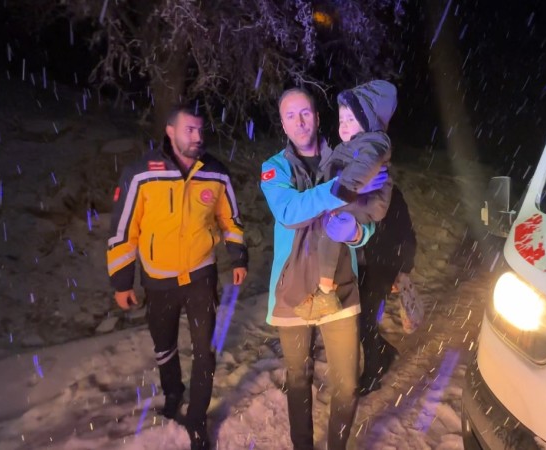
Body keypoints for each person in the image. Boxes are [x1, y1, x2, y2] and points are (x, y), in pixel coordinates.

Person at [106, 103, 248, 450]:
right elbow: (124, 229)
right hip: (159, 279)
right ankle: (173, 392)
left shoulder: (216, 172)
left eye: (200, 129)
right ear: (170, 131)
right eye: (189, 130)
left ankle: (197, 420)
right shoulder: (142, 173)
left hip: (201, 275)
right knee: (164, 345)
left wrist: (238, 256)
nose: (197, 136)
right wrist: (122, 281)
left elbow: (230, 219)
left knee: (205, 350)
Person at [260, 87, 387, 450]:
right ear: (282, 123)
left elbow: (366, 217)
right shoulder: (274, 168)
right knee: (298, 377)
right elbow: (289, 211)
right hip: (293, 290)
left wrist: (358, 233)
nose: (299, 122)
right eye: (290, 115)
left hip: (341, 287)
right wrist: (343, 187)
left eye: (305, 113)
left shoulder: (351, 156)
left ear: (317, 118)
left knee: (347, 384)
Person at [308, 80, 397, 318]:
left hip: (367, 200)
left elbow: (366, 164)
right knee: (330, 230)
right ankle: (326, 289)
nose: (344, 125)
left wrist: (345, 187)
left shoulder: (374, 142)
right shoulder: (350, 145)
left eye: (351, 119)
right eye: (341, 120)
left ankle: (326, 290)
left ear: (368, 121)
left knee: (331, 229)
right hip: (357, 198)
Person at [357, 185, 417, 395]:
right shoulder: (350, 187)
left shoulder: (391, 194)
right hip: (354, 267)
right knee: (358, 321)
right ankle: (384, 351)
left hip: (380, 268)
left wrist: (403, 270)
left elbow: (406, 235)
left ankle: (372, 375)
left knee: (366, 321)